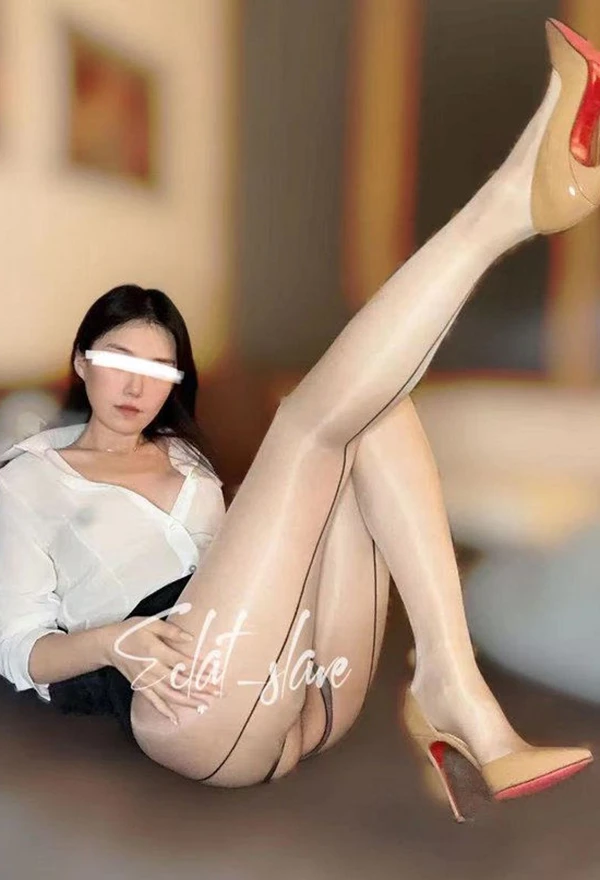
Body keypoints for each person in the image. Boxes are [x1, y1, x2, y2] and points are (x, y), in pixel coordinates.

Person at [0, 17, 597, 823]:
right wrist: (114, 642)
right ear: (80, 363)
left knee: (374, 414)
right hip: (196, 708)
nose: (138, 384)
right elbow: (20, 650)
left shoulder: (186, 461)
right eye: (119, 359)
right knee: (306, 421)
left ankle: (448, 679)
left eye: (160, 368)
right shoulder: (31, 480)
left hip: (306, 688)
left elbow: (262, 573)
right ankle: (505, 206)